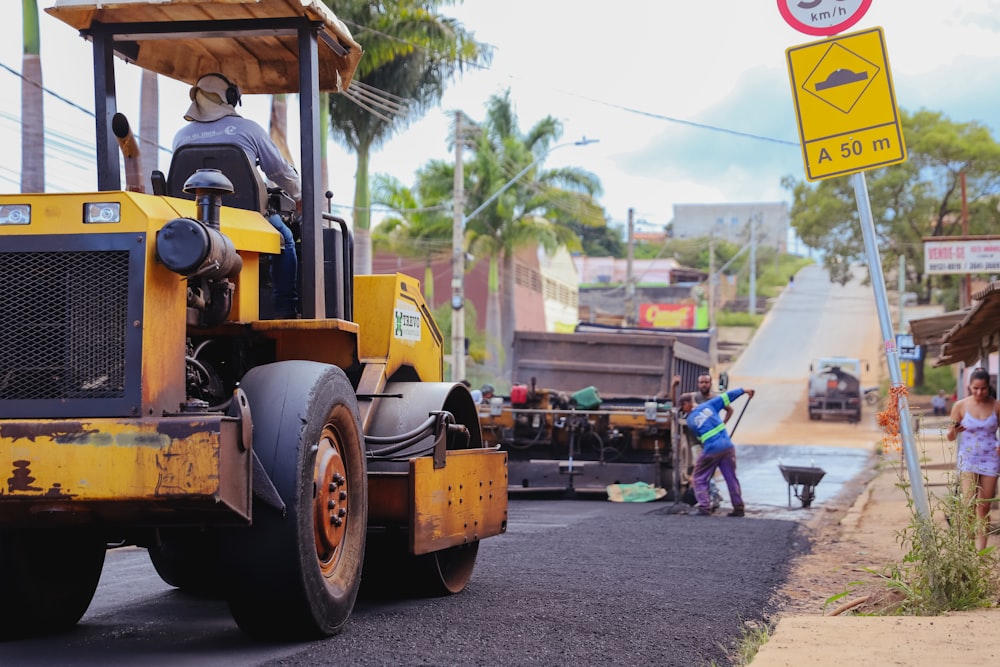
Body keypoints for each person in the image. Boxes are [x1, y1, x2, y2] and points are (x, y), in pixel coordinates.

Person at [172, 72, 302, 318]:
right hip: (248, 221)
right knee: (284, 238)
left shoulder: (181, 136)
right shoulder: (248, 130)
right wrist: (299, 194)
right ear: (230, 97)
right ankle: (286, 310)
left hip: (193, 223)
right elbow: (280, 172)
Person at [678, 386, 754, 517]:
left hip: (711, 449)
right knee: (730, 477)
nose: (682, 411)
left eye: (682, 407)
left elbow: (700, 439)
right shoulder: (711, 405)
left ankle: (704, 507)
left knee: (699, 477)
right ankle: (738, 507)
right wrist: (744, 391)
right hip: (727, 446)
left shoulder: (690, 420)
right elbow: (727, 396)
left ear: (687, 404)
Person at [946, 367, 1000, 551]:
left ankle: (982, 552)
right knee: (968, 503)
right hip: (968, 459)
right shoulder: (960, 406)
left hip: (990, 459)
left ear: (988, 387)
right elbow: (949, 436)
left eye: (983, 388)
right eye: (975, 388)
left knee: (984, 507)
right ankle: (967, 549)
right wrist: (955, 430)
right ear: (969, 386)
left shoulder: (996, 405)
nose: (979, 392)